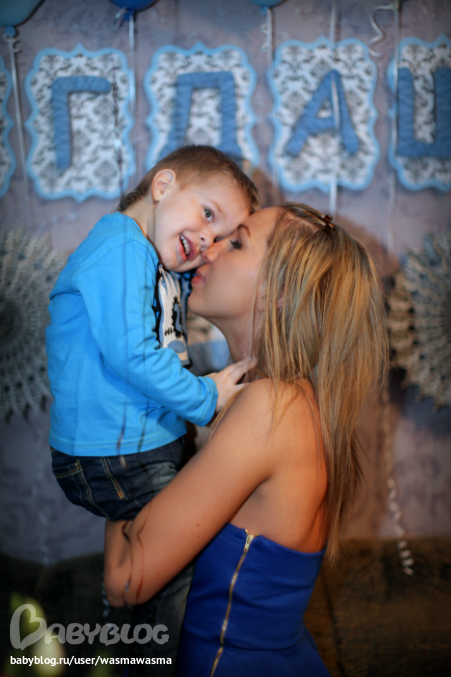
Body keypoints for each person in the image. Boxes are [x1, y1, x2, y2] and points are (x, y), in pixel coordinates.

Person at [103, 203, 388, 676]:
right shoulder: (279, 402)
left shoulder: (271, 408)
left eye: (236, 243)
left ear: (279, 292)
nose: (209, 249)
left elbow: (125, 579)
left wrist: (105, 431)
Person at [45, 145, 259, 671]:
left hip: (136, 447)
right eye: (207, 214)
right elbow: (131, 354)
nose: (207, 242)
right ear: (163, 186)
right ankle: (153, 661)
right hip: (115, 454)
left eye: (222, 238)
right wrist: (206, 398)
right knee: (176, 566)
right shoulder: (121, 246)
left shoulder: (153, 259)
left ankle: (125, 644)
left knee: (149, 566)